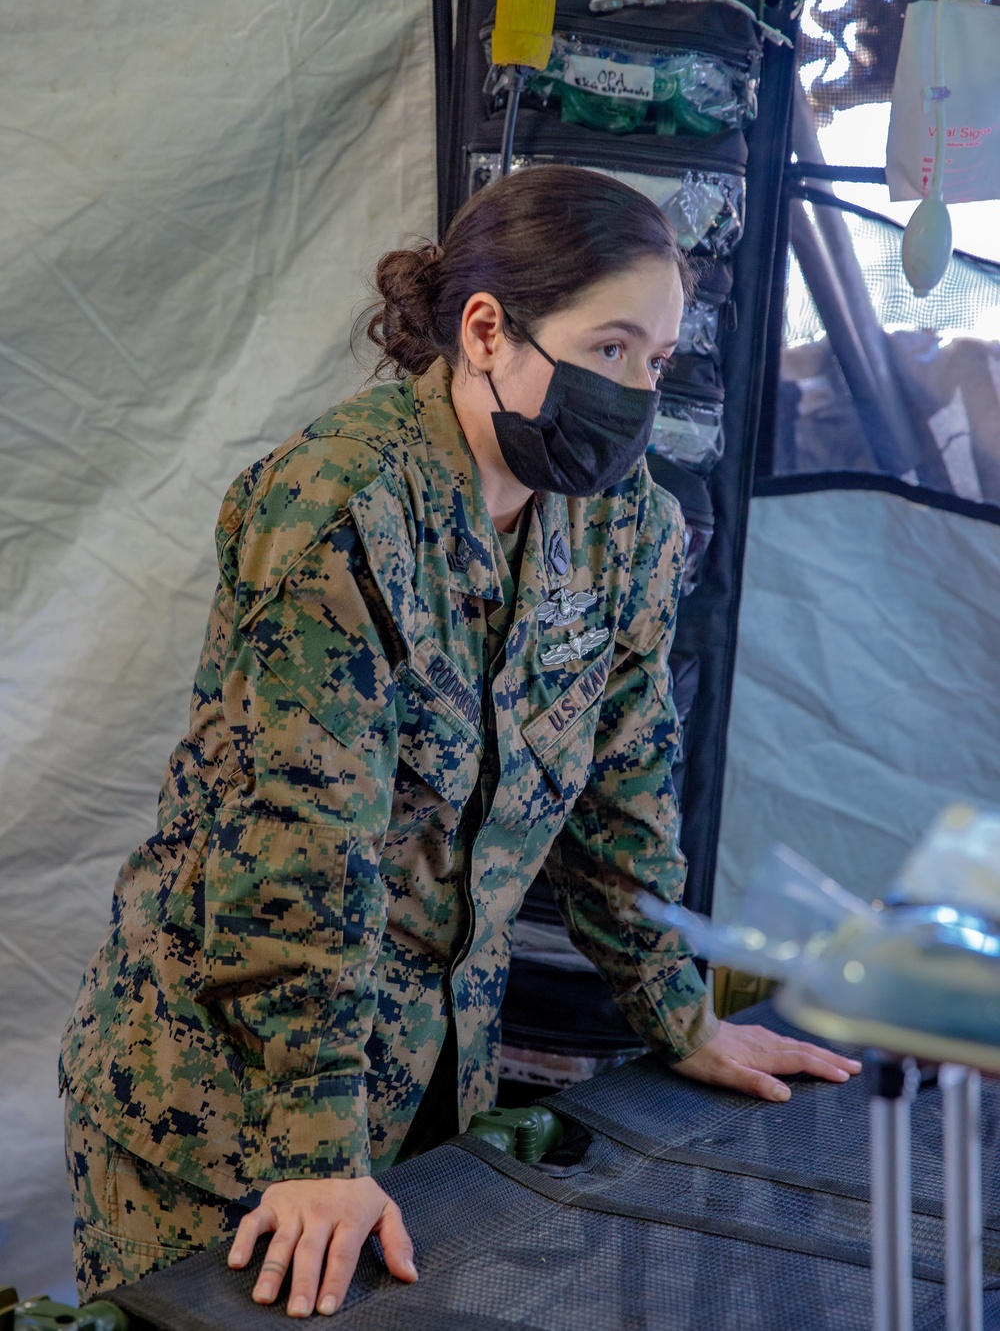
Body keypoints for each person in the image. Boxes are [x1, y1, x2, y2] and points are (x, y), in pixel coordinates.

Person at [61, 164, 860, 1317]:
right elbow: (300, 846)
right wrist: (317, 1149)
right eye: (609, 349)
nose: (634, 392)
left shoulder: (624, 524)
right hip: (227, 1117)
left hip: (424, 1097)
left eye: (657, 360)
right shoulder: (342, 504)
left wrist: (677, 1015)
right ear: (487, 330)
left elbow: (624, 789)